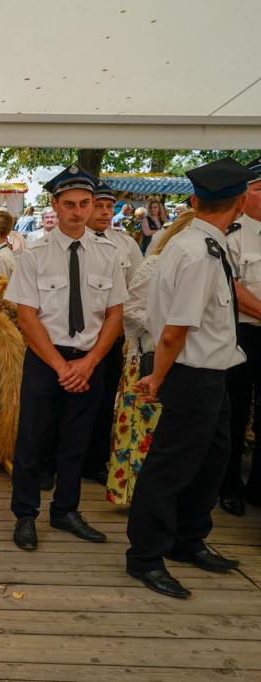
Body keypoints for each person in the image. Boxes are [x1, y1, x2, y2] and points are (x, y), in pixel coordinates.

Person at [125, 157, 253, 599]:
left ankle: (187, 539)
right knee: (171, 467)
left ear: (196, 200)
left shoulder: (205, 243)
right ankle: (145, 556)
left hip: (213, 374)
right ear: (239, 204)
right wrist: (158, 378)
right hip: (189, 374)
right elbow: (176, 330)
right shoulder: (197, 252)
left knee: (211, 461)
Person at [4, 164, 127, 552]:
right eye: (69, 204)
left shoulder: (109, 253)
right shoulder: (34, 254)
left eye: (85, 204)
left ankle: (66, 510)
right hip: (46, 359)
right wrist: (62, 367)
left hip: (91, 361)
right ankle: (26, 515)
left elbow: (115, 315)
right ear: (54, 205)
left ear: (93, 206)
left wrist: (87, 363)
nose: (78, 212)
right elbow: (26, 317)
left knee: (77, 440)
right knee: (32, 440)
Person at [105, 210, 197, 505]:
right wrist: (172, 320)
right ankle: (137, 494)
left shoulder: (199, 266)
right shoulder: (155, 264)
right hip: (150, 359)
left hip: (183, 360)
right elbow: (129, 313)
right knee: (144, 430)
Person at [82, 180, 144, 484]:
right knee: (64, 401)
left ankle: (94, 461)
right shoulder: (66, 241)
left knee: (104, 400)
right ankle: (50, 461)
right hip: (73, 336)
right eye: (99, 205)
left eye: (110, 206)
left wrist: (124, 331)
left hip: (111, 337)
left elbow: (138, 290)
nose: (106, 212)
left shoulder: (126, 244)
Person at [221, 158, 261, 515]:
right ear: (243, 196)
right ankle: (229, 484)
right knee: (235, 411)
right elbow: (232, 287)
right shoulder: (231, 236)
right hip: (243, 333)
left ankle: (257, 486)